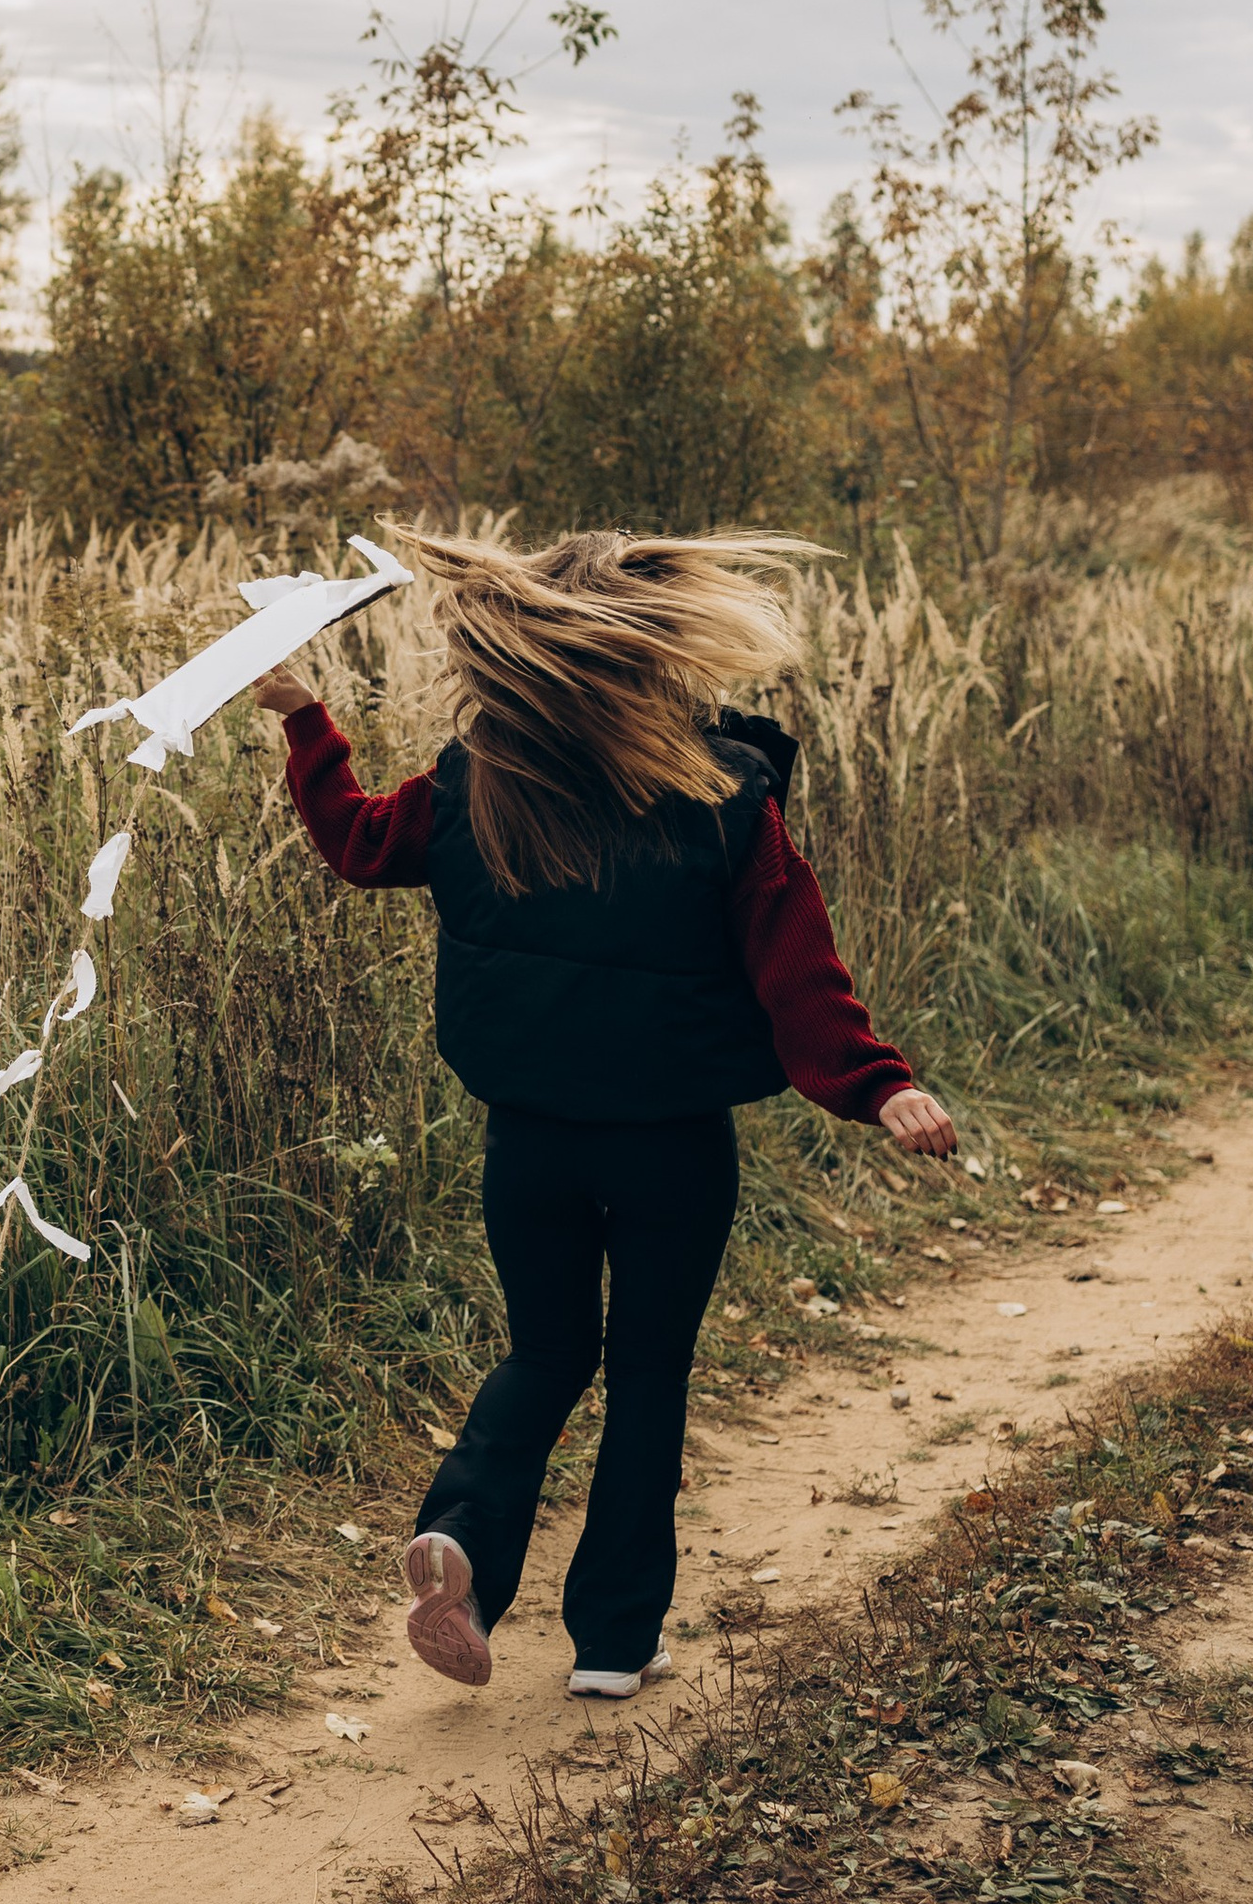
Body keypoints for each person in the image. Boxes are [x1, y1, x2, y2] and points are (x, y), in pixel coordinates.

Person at [253, 528, 952, 1707]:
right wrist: (880, 1084)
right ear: (657, 655)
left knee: (546, 1351)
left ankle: (464, 1549)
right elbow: (798, 977)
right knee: (647, 1376)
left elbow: (356, 842)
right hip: (670, 1145)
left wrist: (305, 719)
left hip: (527, 1140)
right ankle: (614, 1644)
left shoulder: (479, 784)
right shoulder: (721, 800)